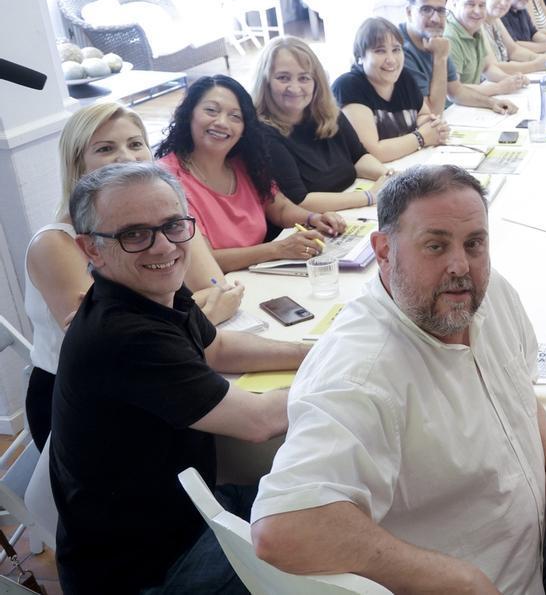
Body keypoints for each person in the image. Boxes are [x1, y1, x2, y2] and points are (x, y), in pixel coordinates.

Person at [250, 165, 546, 594]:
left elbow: (514, 388)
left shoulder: (484, 295)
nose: (460, 266)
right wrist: (457, 580)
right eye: (435, 245)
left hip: (528, 554)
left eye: (474, 244)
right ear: (383, 251)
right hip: (475, 581)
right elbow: (284, 527)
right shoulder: (361, 373)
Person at [50, 162, 307, 593]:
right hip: (152, 568)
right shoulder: (124, 334)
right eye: (134, 234)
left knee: (328, 501)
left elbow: (218, 348)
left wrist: (314, 354)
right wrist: (349, 374)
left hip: (189, 517)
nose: (162, 246)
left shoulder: (150, 285)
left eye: (172, 225)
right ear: (91, 249)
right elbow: (259, 421)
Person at [23, 104, 242, 453]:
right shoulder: (55, 243)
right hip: (81, 410)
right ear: (76, 163)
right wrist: (193, 318)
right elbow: (130, 333)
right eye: (106, 148)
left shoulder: (160, 220)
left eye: (136, 144)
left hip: (150, 376)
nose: (126, 157)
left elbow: (216, 288)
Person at [156, 75, 346, 273]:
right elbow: (203, 261)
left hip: (257, 276)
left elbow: (279, 208)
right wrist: (277, 249)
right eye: (211, 110)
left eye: (235, 117)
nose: (222, 122)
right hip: (216, 289)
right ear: (189, 114)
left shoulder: (243, 163)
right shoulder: (167, 180)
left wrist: (313, 219)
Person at [252, 36, 393, 212]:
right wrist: (370, 196)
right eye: (283, 78)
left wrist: (388, 176)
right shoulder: (263, 134)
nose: (295, 88)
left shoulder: (328, 113)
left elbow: (358, 156)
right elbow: (300, 200)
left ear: (316, 82)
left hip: (351, 209)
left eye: (304, 78)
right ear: (265, 82)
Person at [332, 17, 450, 162]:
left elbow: (421, 115)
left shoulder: (404, 78)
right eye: (380, 51)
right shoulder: (348, 86)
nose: (391, 60)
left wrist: (434, 126)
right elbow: (373, 152)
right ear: (360, 58)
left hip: (406, 165)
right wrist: (422, 137)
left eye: (396, 50)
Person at [398, 0, 521, 117]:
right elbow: (433, 113)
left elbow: (456, 91)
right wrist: (440, 57)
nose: (436, 19)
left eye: (440, 10)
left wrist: (491, 103)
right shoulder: (399, 50)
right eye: (426, 10)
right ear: (409, 12)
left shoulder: (435, 40)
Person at [446, 0, 532, 93]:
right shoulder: (449, 37)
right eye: (470, 4)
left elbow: (487, 68)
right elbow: (453, 90)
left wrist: (510, 79)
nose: (477, 11)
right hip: (453, 108)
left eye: (482, 5)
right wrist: (499, 88)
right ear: (454, 4)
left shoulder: (475, 28)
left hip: (471, 101)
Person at [482, 0, 546, 75]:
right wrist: (536, 65)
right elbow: (493, 67)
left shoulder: (495, 19)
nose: (503, 2)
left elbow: (514, 50)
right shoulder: (478, 24)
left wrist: (540, 58)